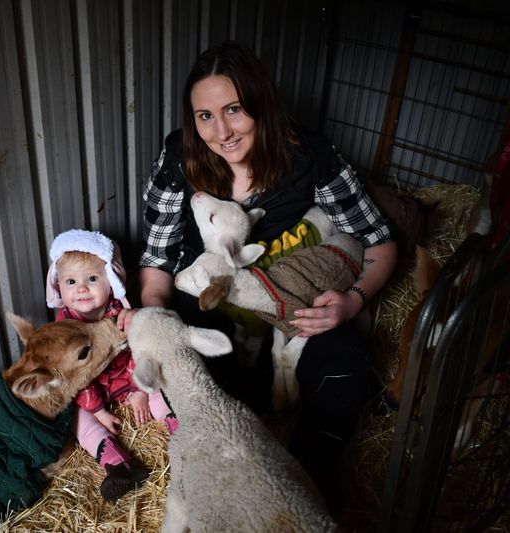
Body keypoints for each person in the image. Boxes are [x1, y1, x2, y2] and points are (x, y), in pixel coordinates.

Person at [138, 41, 397, 477]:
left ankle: (303, 483)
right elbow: (157, 261)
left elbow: (381, 241)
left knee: (346, 361)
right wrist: (157, 333)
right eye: (205, 116)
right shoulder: (180, 157)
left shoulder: (306, 156)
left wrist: (352, 301)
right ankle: (230, 470)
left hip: (283, 299)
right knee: (198, 373)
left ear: (262, 104)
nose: (221, 132)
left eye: (235, 109)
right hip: (206, 296)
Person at [46, 229, 179, 502]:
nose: (81, 288)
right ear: (58, 286)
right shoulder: (64, 330)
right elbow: (77, 379)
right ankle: (118, 464)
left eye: (92, 279)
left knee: (159, 382)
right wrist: (99, 411)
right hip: (93, 394)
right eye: (70, 281)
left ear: (112, 282)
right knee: (73, 415)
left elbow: (139, 352)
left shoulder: (123, 313)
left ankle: (183, 432)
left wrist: (139, 389)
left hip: (127, 380)